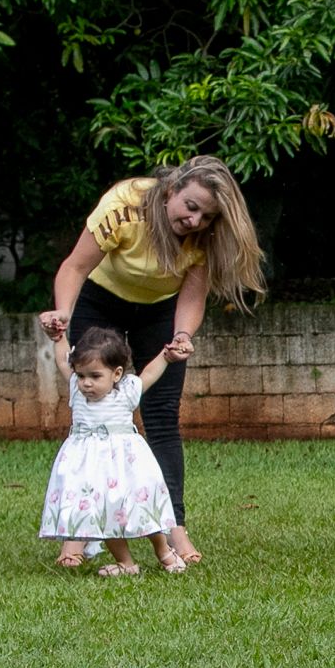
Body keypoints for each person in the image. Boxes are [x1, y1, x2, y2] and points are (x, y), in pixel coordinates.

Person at [37, 156, 266, 569]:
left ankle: (174, 525)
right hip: (100, 301)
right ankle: (77, 534)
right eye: (191, 206)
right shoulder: (124, 206)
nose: (195, 220)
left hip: (159, 312)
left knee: (161, 419)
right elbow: (75, 266)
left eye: (207, 216)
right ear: (170, 191)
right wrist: (63, 314)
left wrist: (182, 337)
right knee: (90, 419)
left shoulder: (203, 239)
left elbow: (193, 294)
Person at [40, 326, 190, 577]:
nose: (86, 383)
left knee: (143, 507)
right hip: (91, 469)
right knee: (104, 515)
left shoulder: (127, 391)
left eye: (95, 376)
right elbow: (62, 360)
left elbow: (150, 372)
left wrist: (165, 356)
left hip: (126, 465)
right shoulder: (77, 390)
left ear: (117, 373)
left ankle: (164, 552)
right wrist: (59, 338)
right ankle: (126, 563)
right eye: (81, 376)